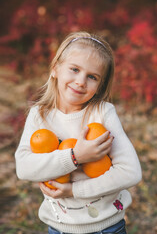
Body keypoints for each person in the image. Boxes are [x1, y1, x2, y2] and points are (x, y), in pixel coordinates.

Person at [15, 31, 142, 234]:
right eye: (74, 69)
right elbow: (23, 168)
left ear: (100, 86)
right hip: (59, 228)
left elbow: (131, 172)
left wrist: (75, 190)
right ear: (55, 68)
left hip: (107, 227)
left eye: (92, 77)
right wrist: (75, 157)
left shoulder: (102, 113)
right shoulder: (39, 115)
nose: (81, 81)